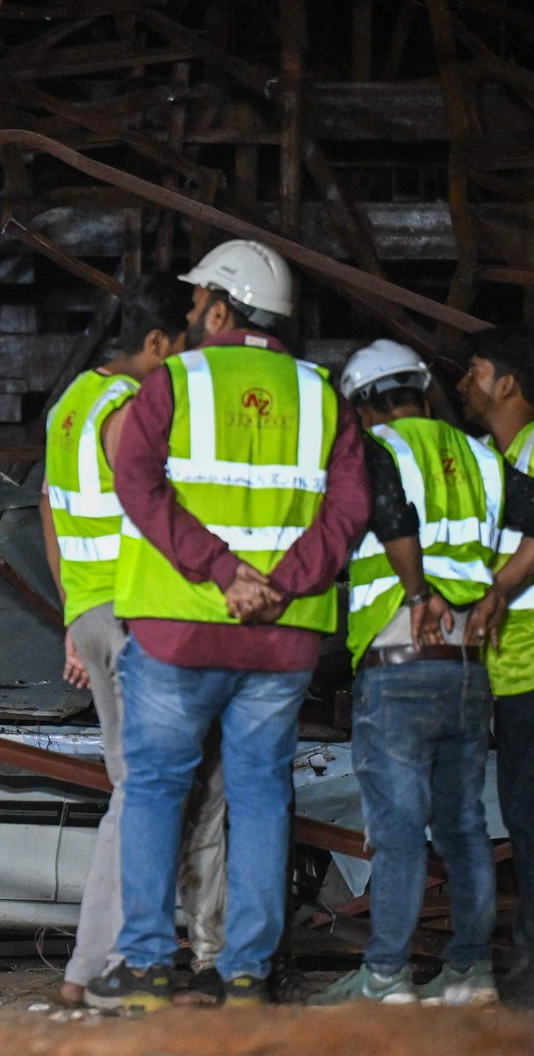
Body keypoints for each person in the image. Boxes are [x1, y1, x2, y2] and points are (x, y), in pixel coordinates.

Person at [85, 240, 371, 1011]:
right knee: (259, 796)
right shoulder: (323, 396)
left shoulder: (174, 382)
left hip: (179, 629)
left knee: (154, 791)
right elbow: (350, 509)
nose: (187, 315)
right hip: (282, 641)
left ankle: (145, 967)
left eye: (196, 301)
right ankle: (245, 972)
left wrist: (219, 571)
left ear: (221, 308)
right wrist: (281, 583)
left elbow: (135, 481)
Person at [310, 339, 534, 1006]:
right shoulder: (481, 457)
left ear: (365, 402)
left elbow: (390, 516)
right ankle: (469, 972)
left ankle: (386, 976)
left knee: (399, 822)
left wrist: (412, 591)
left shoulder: (380, 451)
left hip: (398, 655)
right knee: (463, 820)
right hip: (468, 665)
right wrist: (496, 591)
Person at [40, 274, 227, 1007]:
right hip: (133, 614)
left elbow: (50, 517)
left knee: (138, 791)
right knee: (153, 795)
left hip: (92, 612)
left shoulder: (70, 403)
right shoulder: (128, 407)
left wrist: (70, 617)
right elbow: (150, 503)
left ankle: (91, 970)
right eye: (180, 348)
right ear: (156, 344)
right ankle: (111, 969)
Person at [457, 325, 534, 1001]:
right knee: (522, 810)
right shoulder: (487, 458)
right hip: (510, 667)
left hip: (531, 661)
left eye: (474, 369)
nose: (462, 382)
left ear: (508, 382)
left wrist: (496, 591)